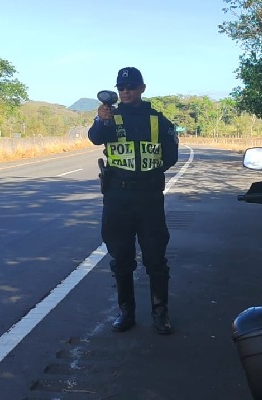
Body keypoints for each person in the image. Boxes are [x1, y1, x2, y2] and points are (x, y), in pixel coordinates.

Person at [88, 67, 179, 335]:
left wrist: (149, 174)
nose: (125, 92)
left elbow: (171, 154)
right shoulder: (109, 117)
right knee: (121, 256)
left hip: (149, 196)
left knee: (155, 257)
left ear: (142, 88)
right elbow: (96, 138)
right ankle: (126, 312)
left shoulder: (158, 120)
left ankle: (160, 312)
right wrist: (101, 119)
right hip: (117, 195)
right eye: (121, 88)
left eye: (130, 87)